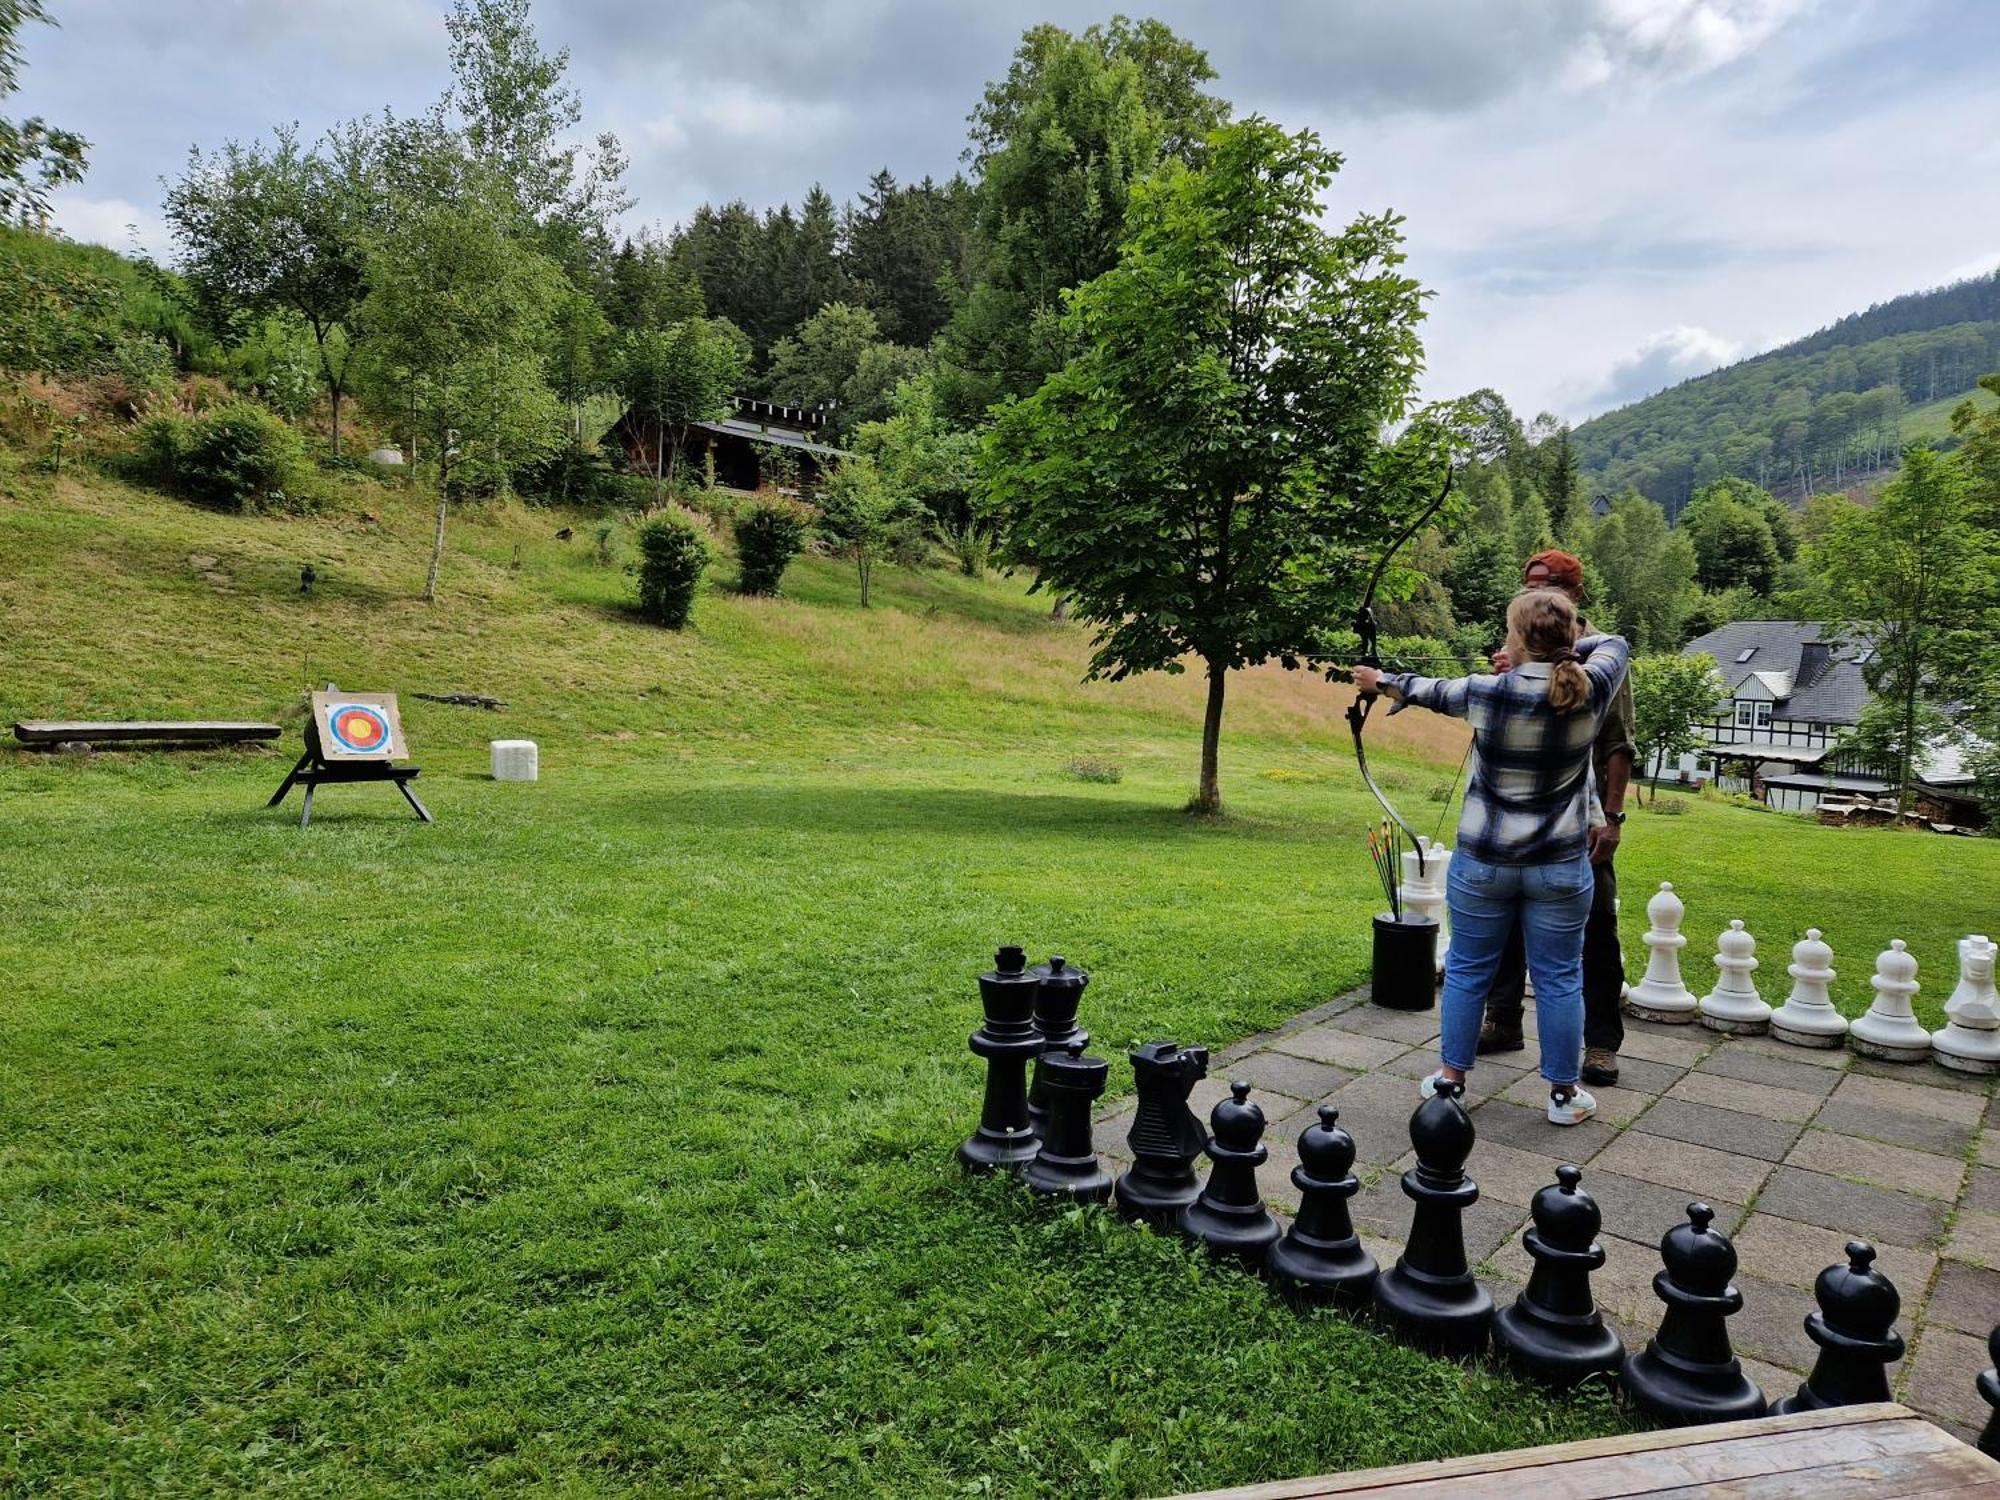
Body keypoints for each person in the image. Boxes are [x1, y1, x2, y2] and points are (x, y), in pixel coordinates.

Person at [1349, 589, 1629, 1124]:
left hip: (1485, 865)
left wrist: (1375, 681)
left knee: (1469, 972)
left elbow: (1421, 688)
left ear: (1517, 637)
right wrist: (1563, 647)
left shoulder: (1488, 692)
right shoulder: (1591, 687)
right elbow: (1616, 642)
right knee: (1560, 977)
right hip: (1560, 866)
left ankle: (1452, 1081)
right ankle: (1565, 1095)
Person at [1477, 550, 1637, 1087]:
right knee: (1502, 915)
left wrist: (1611, 818)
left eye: (1545, 583)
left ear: (1574, 592)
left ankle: (1599, 1044)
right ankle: (1502, 1019)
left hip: (1580, 816)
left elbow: (1618, 743)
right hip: (1517, 813)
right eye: (1527, 582)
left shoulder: (1602, 655)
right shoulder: (1518, 643)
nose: (1533, 589)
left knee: (1595, 928)